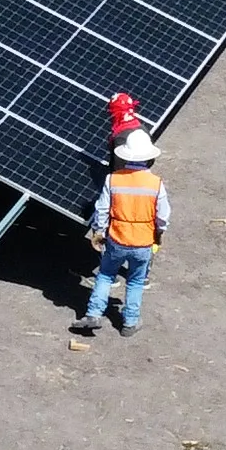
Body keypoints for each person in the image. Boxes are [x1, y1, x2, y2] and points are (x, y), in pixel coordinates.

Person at [76, 130, 167, 335]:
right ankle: (129, 323)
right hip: (143, 242)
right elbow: (163, 216)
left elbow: (102, 209)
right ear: (149, 158)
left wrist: (98, 231)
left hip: (117, 239)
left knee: (106, 275)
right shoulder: (156, 184)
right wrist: (158, 234)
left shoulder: (113, 179)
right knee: (135, 281)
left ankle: (93, 314)